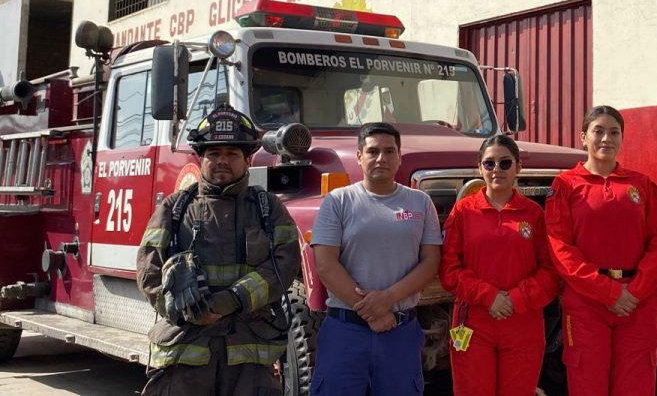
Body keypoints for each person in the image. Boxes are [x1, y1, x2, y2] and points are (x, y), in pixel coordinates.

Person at [136, 104, 301, 396]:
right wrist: (183, 311)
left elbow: (284, 266)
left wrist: (233, 299)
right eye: (213, 154)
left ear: (248, 160)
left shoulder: (268, 209)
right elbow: (149, 271)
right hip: (186, 348)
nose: (222, 161)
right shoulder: (175, 208)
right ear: (201, 159)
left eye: (232, 154)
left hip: (248, 351)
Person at [310, 121, 442, 394]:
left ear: (399, 156)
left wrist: (388, 299)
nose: (381, 158)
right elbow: (325, 264)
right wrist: (371, 312)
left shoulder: (420, 203)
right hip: (346, 331)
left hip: (400, 330)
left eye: (389, 151)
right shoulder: (338, 201)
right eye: (372, 151)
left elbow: (431, 262)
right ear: (359, 156)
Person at [545, 105, 657, 396]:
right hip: (587, 304)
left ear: (622, 138)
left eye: (614, 132)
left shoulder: (642, 185)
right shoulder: (565, 186)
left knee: (636, 385)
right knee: (588, 384)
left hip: (638, 304)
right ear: (583, 137)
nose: (606, 138)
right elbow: (560, 248)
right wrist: (609, 292)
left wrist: (634, 292)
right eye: (598, 131)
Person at [439, 134, 560, 396]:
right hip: (473, 323)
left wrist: (516, 299)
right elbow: (449, 270)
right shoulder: (463, 212)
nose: (497, 170)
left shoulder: (533, 214)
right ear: (479, 167)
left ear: (518, 167)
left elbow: (550, 272)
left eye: (505, 163)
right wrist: (490, 297)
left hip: (523, 322)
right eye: (489, 163)